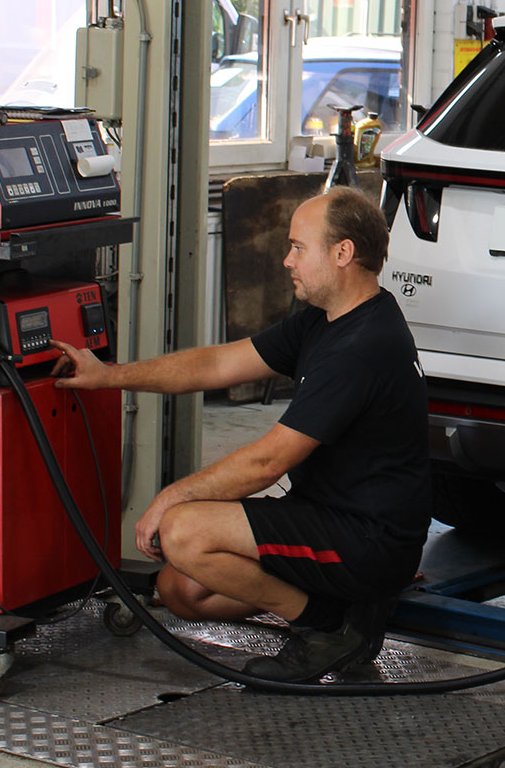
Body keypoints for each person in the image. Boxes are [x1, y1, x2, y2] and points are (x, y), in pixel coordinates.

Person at [53, 187, 429, 684]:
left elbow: (265, 464)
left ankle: (330, 625)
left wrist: (172, 497)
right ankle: (338, 607)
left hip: (367, 541)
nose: (285, 260)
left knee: (185, 531)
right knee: (181, 591)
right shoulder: (325, 322)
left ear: (343, 254)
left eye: (298, 247)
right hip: (327, 519)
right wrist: (108, 376)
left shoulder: (363, 346)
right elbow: (217, 363)